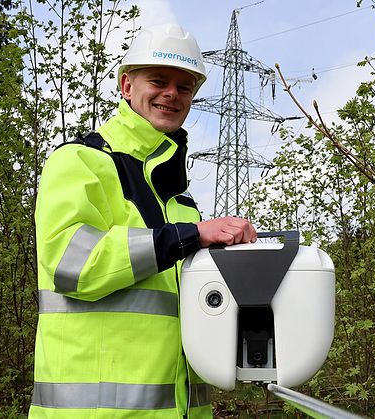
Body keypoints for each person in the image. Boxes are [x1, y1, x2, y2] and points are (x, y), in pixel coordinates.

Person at [29, 23, 256, 418]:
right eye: (158, 80)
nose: (172, 94)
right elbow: (72, 265)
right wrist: (191, 237)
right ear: (126, 86)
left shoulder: (180, 202)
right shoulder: (80, 161)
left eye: (184, 87)